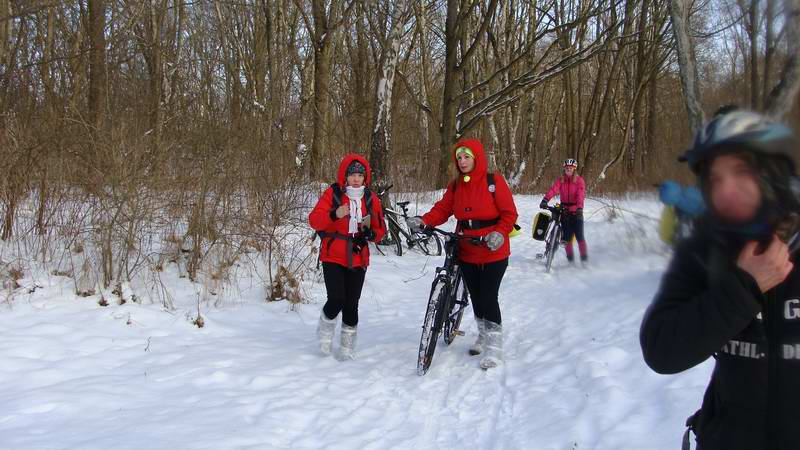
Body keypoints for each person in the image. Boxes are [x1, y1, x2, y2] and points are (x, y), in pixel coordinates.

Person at [639, 110, 800, 450]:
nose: (725, 190)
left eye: (741, 171)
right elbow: (661, 349)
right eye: (714, 178)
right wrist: (745, 287)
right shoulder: (704, 251)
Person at [408, 138, 518, 369]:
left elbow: (509, 214)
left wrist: (499, 233)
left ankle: (494, 349)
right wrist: (424, 220)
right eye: (459, 157)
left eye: (467, 156)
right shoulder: (456, 185)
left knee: (489, 297)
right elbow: (443, 209)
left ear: (476, 158)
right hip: (467, 248)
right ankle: (482, 334)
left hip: (493, 250)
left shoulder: (493, 181)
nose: (463, 161)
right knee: (476, 298)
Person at [309, 154, 386, 360]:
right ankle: (324, 336)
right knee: (336, 299)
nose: (355, 179)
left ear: (365, 177)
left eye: (360, 175)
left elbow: (380, 229)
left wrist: (372, 234)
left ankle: (347, 346)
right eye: (352, 174)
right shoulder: (333, 194)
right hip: (333, 254)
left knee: (352, 304)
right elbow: (314, 220)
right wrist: (335, 214)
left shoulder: (370, 198)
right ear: (345, 175)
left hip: (358, 256)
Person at [539, 158, 588, 266]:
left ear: (574, 169)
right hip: (565, 212)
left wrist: (580, 208)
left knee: (580, 236)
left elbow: (580, 195)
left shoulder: (579, 181)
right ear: (564, 169)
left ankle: (584, 261)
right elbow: (553, 190)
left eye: (570, 168)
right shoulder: (561, 180)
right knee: (567, 238)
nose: (568, 170)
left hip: (577, 212)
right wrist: (545, 199)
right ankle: (570, 260)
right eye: (567, 168)